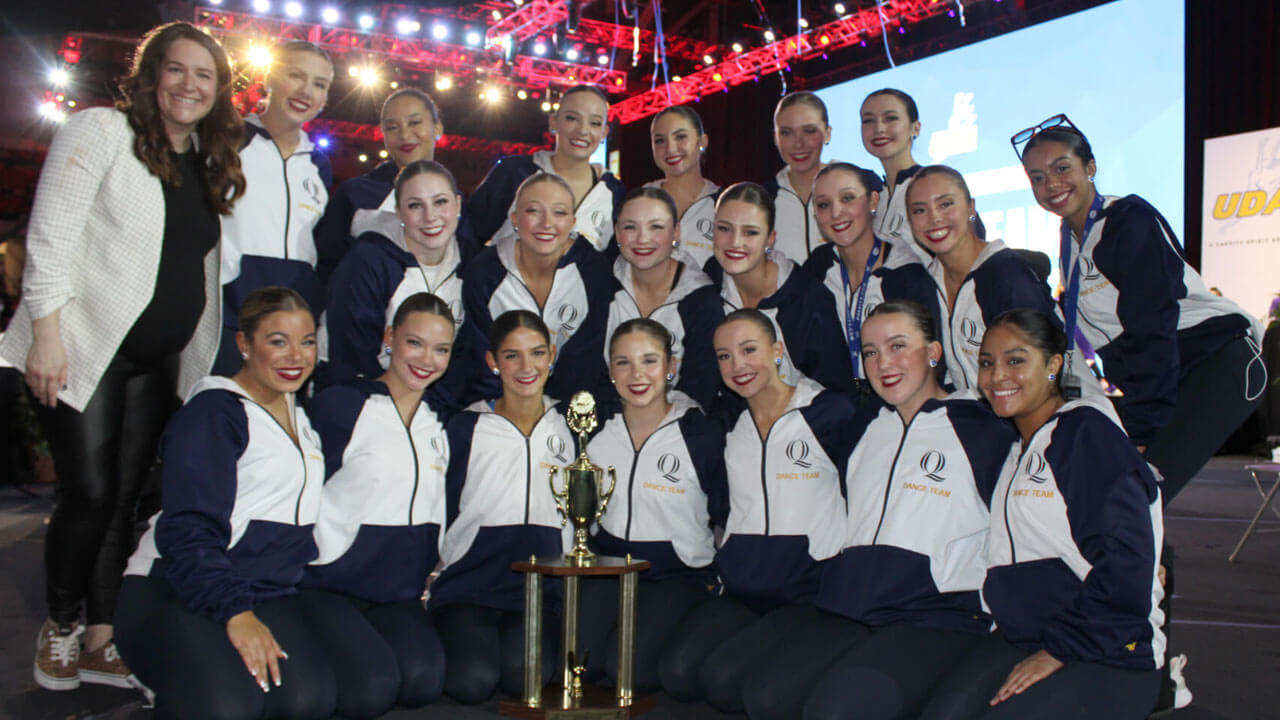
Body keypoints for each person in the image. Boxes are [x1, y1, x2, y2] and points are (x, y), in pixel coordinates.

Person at [0, 21, 244, 691]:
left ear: (219, 90)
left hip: (158, 359)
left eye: (204, 75)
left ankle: (103, 640)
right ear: (152, 74)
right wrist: (46, 334)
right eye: (177, 69)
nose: (189, 85)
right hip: (86, 346)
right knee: (89, 491)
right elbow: (51, 234)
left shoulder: (208, 159)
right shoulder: (100, 131)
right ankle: (60, 626)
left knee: (125, 500)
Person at [737, 300, 1015, 720]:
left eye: (898, 345)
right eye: (870, 352)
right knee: (765, 696)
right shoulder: (864, 429)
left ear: (934, 353)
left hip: (934, 615)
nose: (883, 362)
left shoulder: (983, 430)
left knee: (836, 710)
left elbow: (1021, 522)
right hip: (850, 609)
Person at [919, 309, 1165, 720]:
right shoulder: (1016, 446)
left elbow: (1125, 560)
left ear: (1053, 365)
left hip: (1107, 647)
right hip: (1027, 636)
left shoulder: (1084, 434)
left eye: (1016, 361)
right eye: (986, 363)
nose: (997, 376)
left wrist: (1061, 649)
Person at [115, 287, 336, 720]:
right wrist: (236, 612)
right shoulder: (214, 413)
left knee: (308, 702)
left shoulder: (300, 417)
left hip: (261, 592)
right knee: (228, 709)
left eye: (307, 341)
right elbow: (187, 532)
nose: (296, 356)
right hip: (174, 587)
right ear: (243, 344)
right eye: (278, 341)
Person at [1017, 118, 1265, 499]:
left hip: (1216, 365)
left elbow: (1152, 329)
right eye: (1037, 177)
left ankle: (1153, 558)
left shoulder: (1127, 221)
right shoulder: (1071, 236)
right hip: (1168, 377)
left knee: (1138, 495)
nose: (1050, 184)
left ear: (1091, 168)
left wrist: (1143, 428)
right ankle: (1155, 559)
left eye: (1061, 168)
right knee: (1124, 494)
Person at [659, 309, 856, 712]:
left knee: (746, 690)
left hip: (810, 595)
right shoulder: (729, 426)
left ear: (777, 349)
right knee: (678, 674)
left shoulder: (830, 414)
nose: (737, 365)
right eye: (724, 356)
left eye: (749, 350)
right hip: (742, 591)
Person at [300, 293, 454, 718]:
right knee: (371, 691)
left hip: (396, 594)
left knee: (424, 682)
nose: (427, 359)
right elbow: (297, 491)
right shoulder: (342, 406)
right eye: (415, 343)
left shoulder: (437, 424)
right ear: (390, 338)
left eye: (441, 349)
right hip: (327, 586)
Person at [429, 310, 575, 703]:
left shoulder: (573, 425)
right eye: (512, 355)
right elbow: (438, 506)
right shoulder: (465, 427)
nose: (526, 367)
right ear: (492, 361)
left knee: (525, 678)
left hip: (540, 594)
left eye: (537, 353)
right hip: (469, 587)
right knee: (471, 681)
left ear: (552, 355)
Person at [578, 319, 728, 691]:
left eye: (649, 360)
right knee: (583, 663)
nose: (636, 374)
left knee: (626, 672)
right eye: (623, 362)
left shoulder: (701, 433)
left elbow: (724, 515)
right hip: (609, 568)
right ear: (610, 369)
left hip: (677, 575)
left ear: (670, 367)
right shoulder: (593, 431)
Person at [905, 165, 1091, 393]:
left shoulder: (1006, 276)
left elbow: (1041, 381)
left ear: (971, 208)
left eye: (946, 204)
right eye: (919, 210)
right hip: (983, 421)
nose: (934, 218)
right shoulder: (927, 283)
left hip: (1060, 420)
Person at [213, 40, 333, 375]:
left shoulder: (318, 165)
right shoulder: (228, 142)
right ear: (268, 76)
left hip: (291, 330)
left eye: (319, 84)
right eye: (296, 76)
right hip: (229, 323)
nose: (306, 91)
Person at [460, 172, 615, 405]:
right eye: (533, 211)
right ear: (514, 219)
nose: (546, 223)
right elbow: (479, 362)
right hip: (502, 406)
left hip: (572, 408)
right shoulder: (484, 273)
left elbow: (590, 363)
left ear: (573, 222)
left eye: (559, 212)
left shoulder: (595, 272)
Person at [318, 160, 471, 394]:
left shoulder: (470, 266)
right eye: (414, 206)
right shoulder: (366, 263)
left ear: (458, 205)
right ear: (398, 212)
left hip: (426, 400)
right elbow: (351, 360)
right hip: (356, 393)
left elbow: (463, 361)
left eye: (440, 202)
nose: (430, 217)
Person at [802, 162, 942, 394]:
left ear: (873, 201)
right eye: (824, 204)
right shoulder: (817, 268)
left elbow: (933, 364)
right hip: (836, 405)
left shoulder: (907, 276)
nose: (836, 213)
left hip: (899, 403)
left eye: (847, 198)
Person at [707, 182, 856, 396]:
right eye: (724, 228)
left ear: (770, 239)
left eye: (750, 232)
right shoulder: (711, 279)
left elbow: (839, 395)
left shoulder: (809, 299)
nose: (735, 242)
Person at [315, 88, 464, 281]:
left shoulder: (453, 201)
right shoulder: (355, 194)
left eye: (415, 123)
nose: (404, 134)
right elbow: (327, 267)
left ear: (437, 128)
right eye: (392, 127)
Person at [605, 187, 724, 409]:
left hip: (678, 428)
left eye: (656, 227)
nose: (642, 239)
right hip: (612, 422)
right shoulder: (601, 287)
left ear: (676, 233)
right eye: (630, 227)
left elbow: (700, 388)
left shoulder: (702, 300)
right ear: (617, 232)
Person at [466, 85, 625, 251]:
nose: (583, 130)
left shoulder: (614, 191)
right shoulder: (514, 173)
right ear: (553, 122)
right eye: (572, 118)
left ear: (604, 133)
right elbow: (469, 235)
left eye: (594, 123)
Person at [860, 88, 931, 264]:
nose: (878, 128)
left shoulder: (934, 185)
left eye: (890, 118)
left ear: (915, 128)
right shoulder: (873, 196)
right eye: (868, 121)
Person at [644, 105, 721, 267]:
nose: (670, 149)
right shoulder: (640, 200)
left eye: (680, 137)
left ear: (702, 141)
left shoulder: (722, 204)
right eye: (660, 140)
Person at [763, 91, 831, 262]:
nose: (798, 143)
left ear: (828, 133)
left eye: (809, 131)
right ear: (775, 138)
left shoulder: (858, 187)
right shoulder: (763, 198)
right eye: (786, 133)